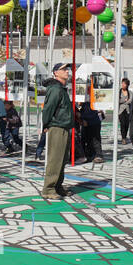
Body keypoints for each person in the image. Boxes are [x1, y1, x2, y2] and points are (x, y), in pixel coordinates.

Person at [40, 63, 74, 200]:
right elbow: (48, 108)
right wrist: (46, 123)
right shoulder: (55, 89)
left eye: (67, 69)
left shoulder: (61, 88)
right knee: (55, 158)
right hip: (57, 126)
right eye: (64, 69)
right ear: (55, 72)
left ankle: (57, 186)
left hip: (64, 126)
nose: (67, 71)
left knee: (62, 158)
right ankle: (49, 188)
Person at [78, 99, 103, 163]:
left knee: (95, 138)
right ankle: (87, 155)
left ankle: (98, 155)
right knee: (85, 138)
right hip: (86, 118)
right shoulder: (84, 96)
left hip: (94, 119)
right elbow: (79, 104)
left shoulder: (93, 94)